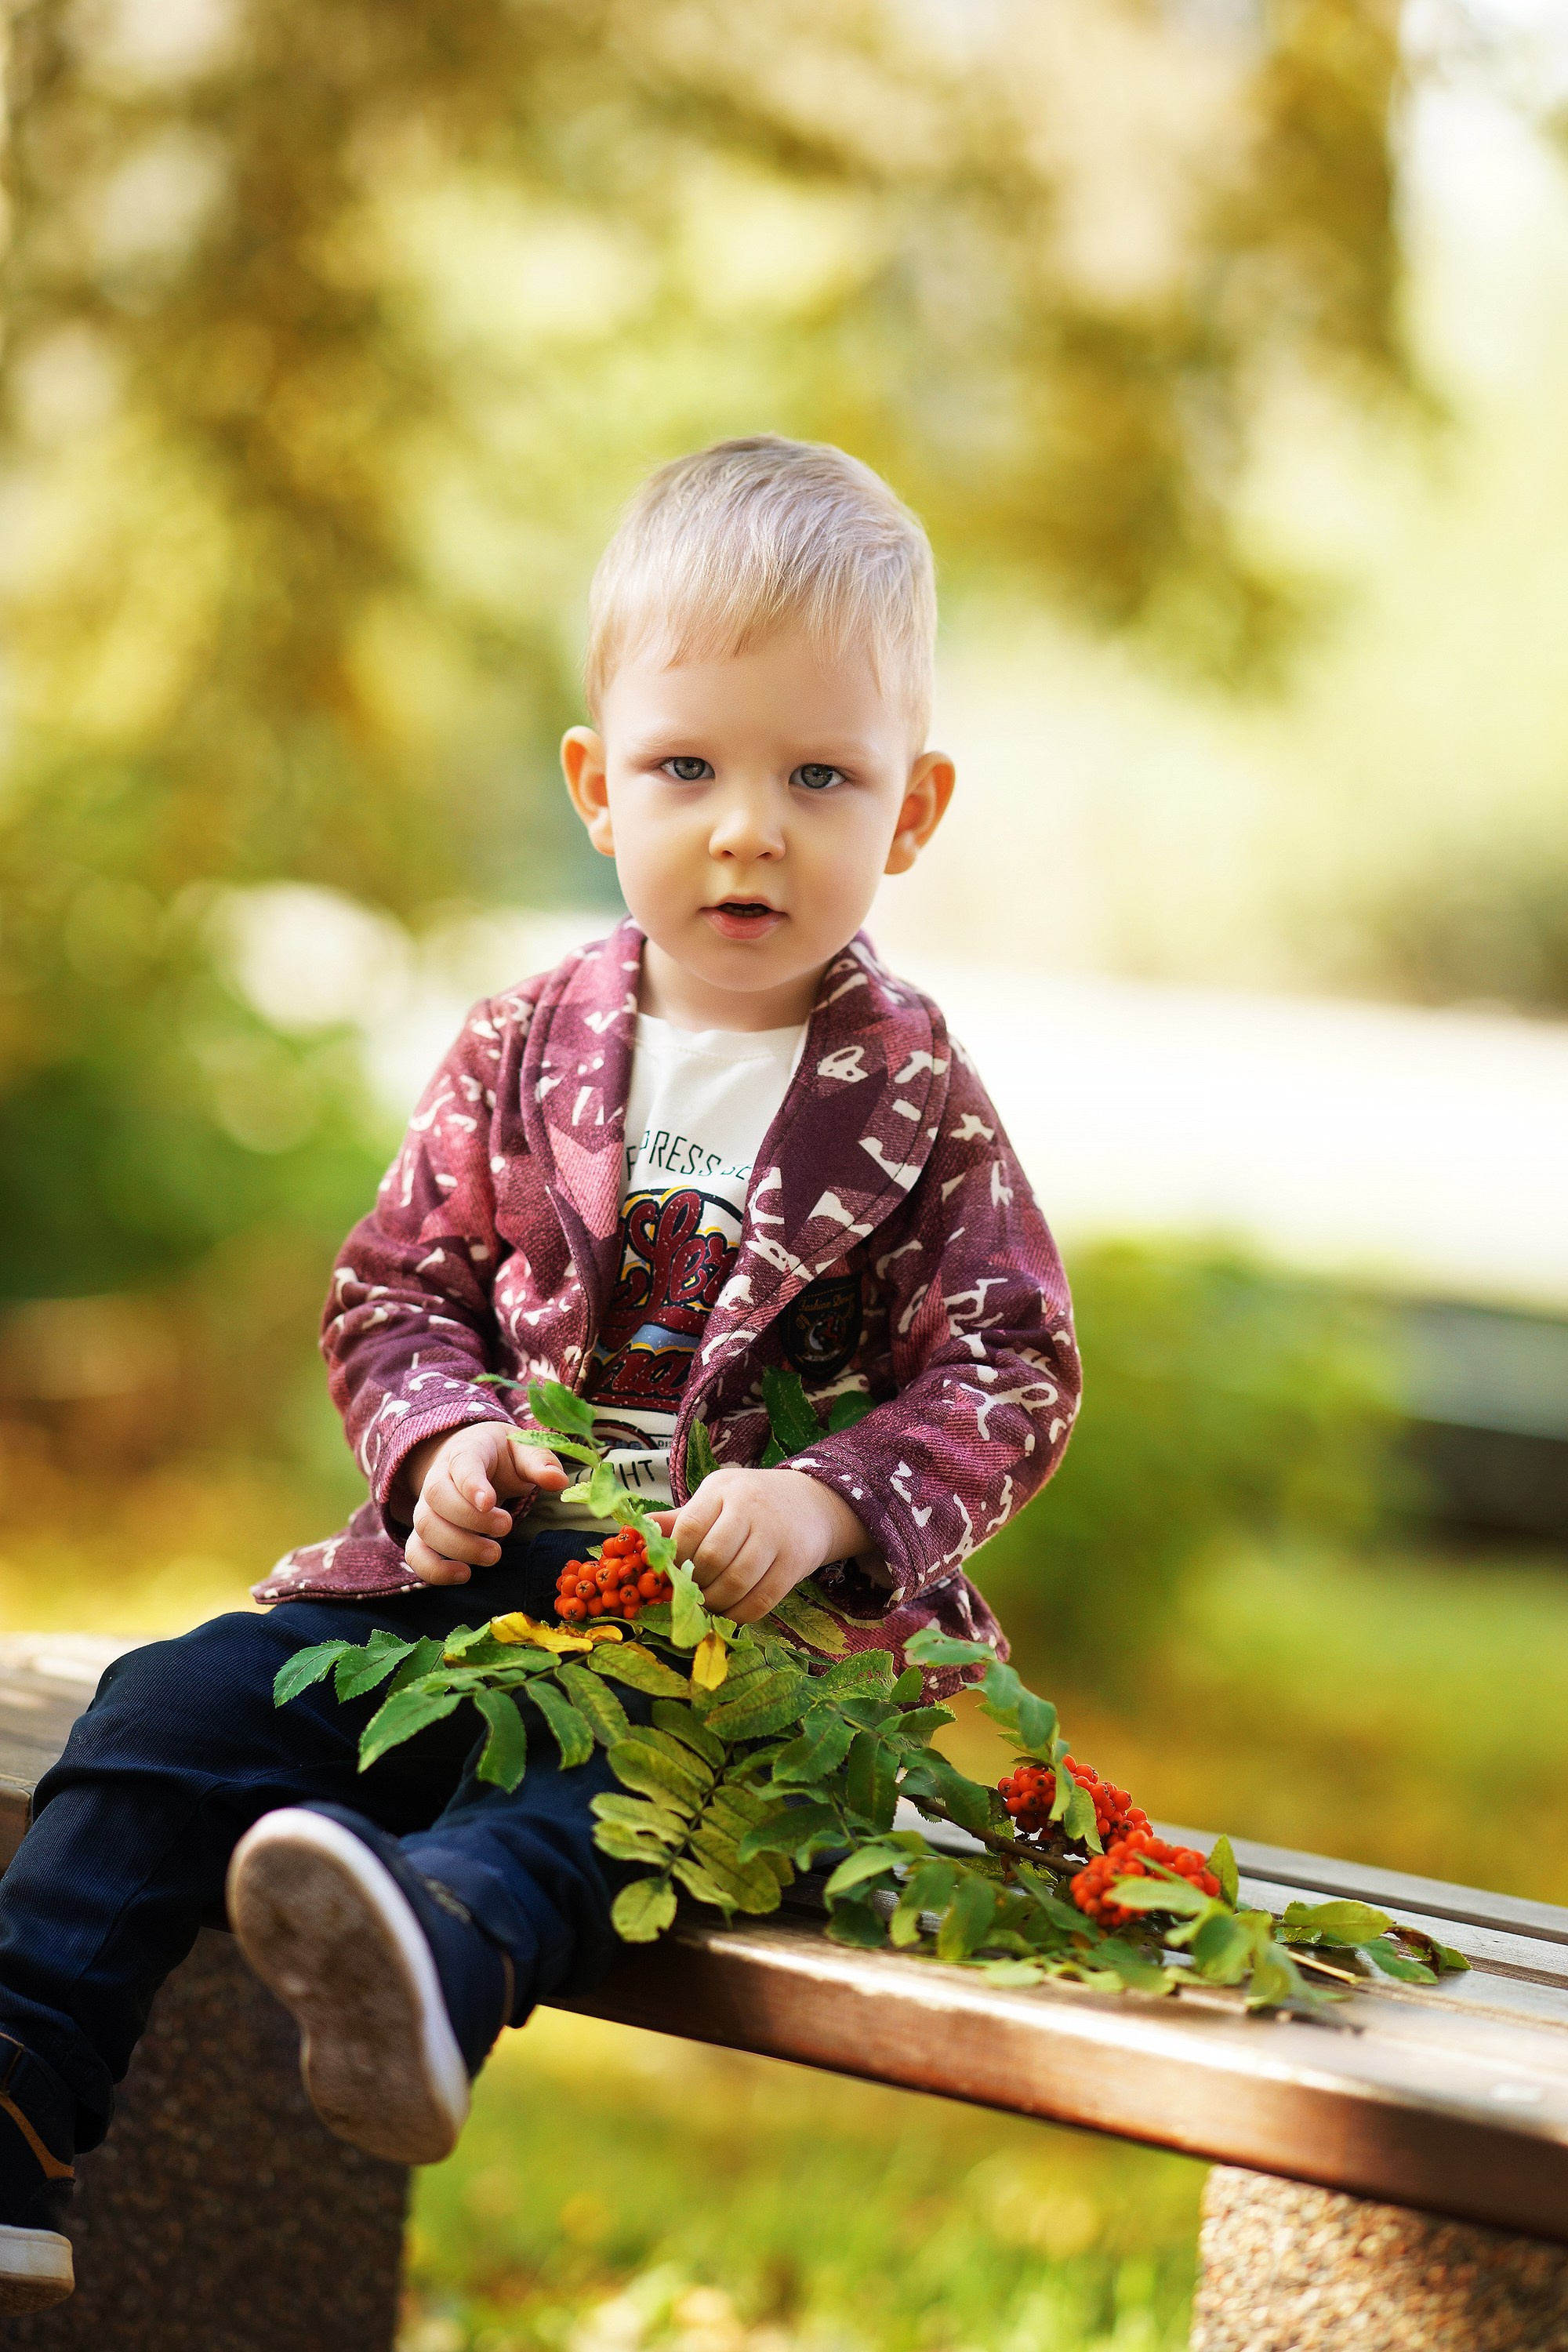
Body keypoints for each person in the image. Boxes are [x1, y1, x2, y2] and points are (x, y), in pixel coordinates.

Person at [0, 437, 1079, 2312]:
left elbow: (1014, 1363)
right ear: (597, 785)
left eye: (819, 777)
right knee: (170, 1707)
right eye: (689, 769)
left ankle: (427, 1956)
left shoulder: (913, 1099)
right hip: (481, 1594)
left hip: (737, 1662)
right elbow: (395, 1292)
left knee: (602, 1799)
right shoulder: (529, 1045)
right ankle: (18, 2106)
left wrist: (833, 1503)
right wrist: (441, 1443)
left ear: (911, 809)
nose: (748, 829)